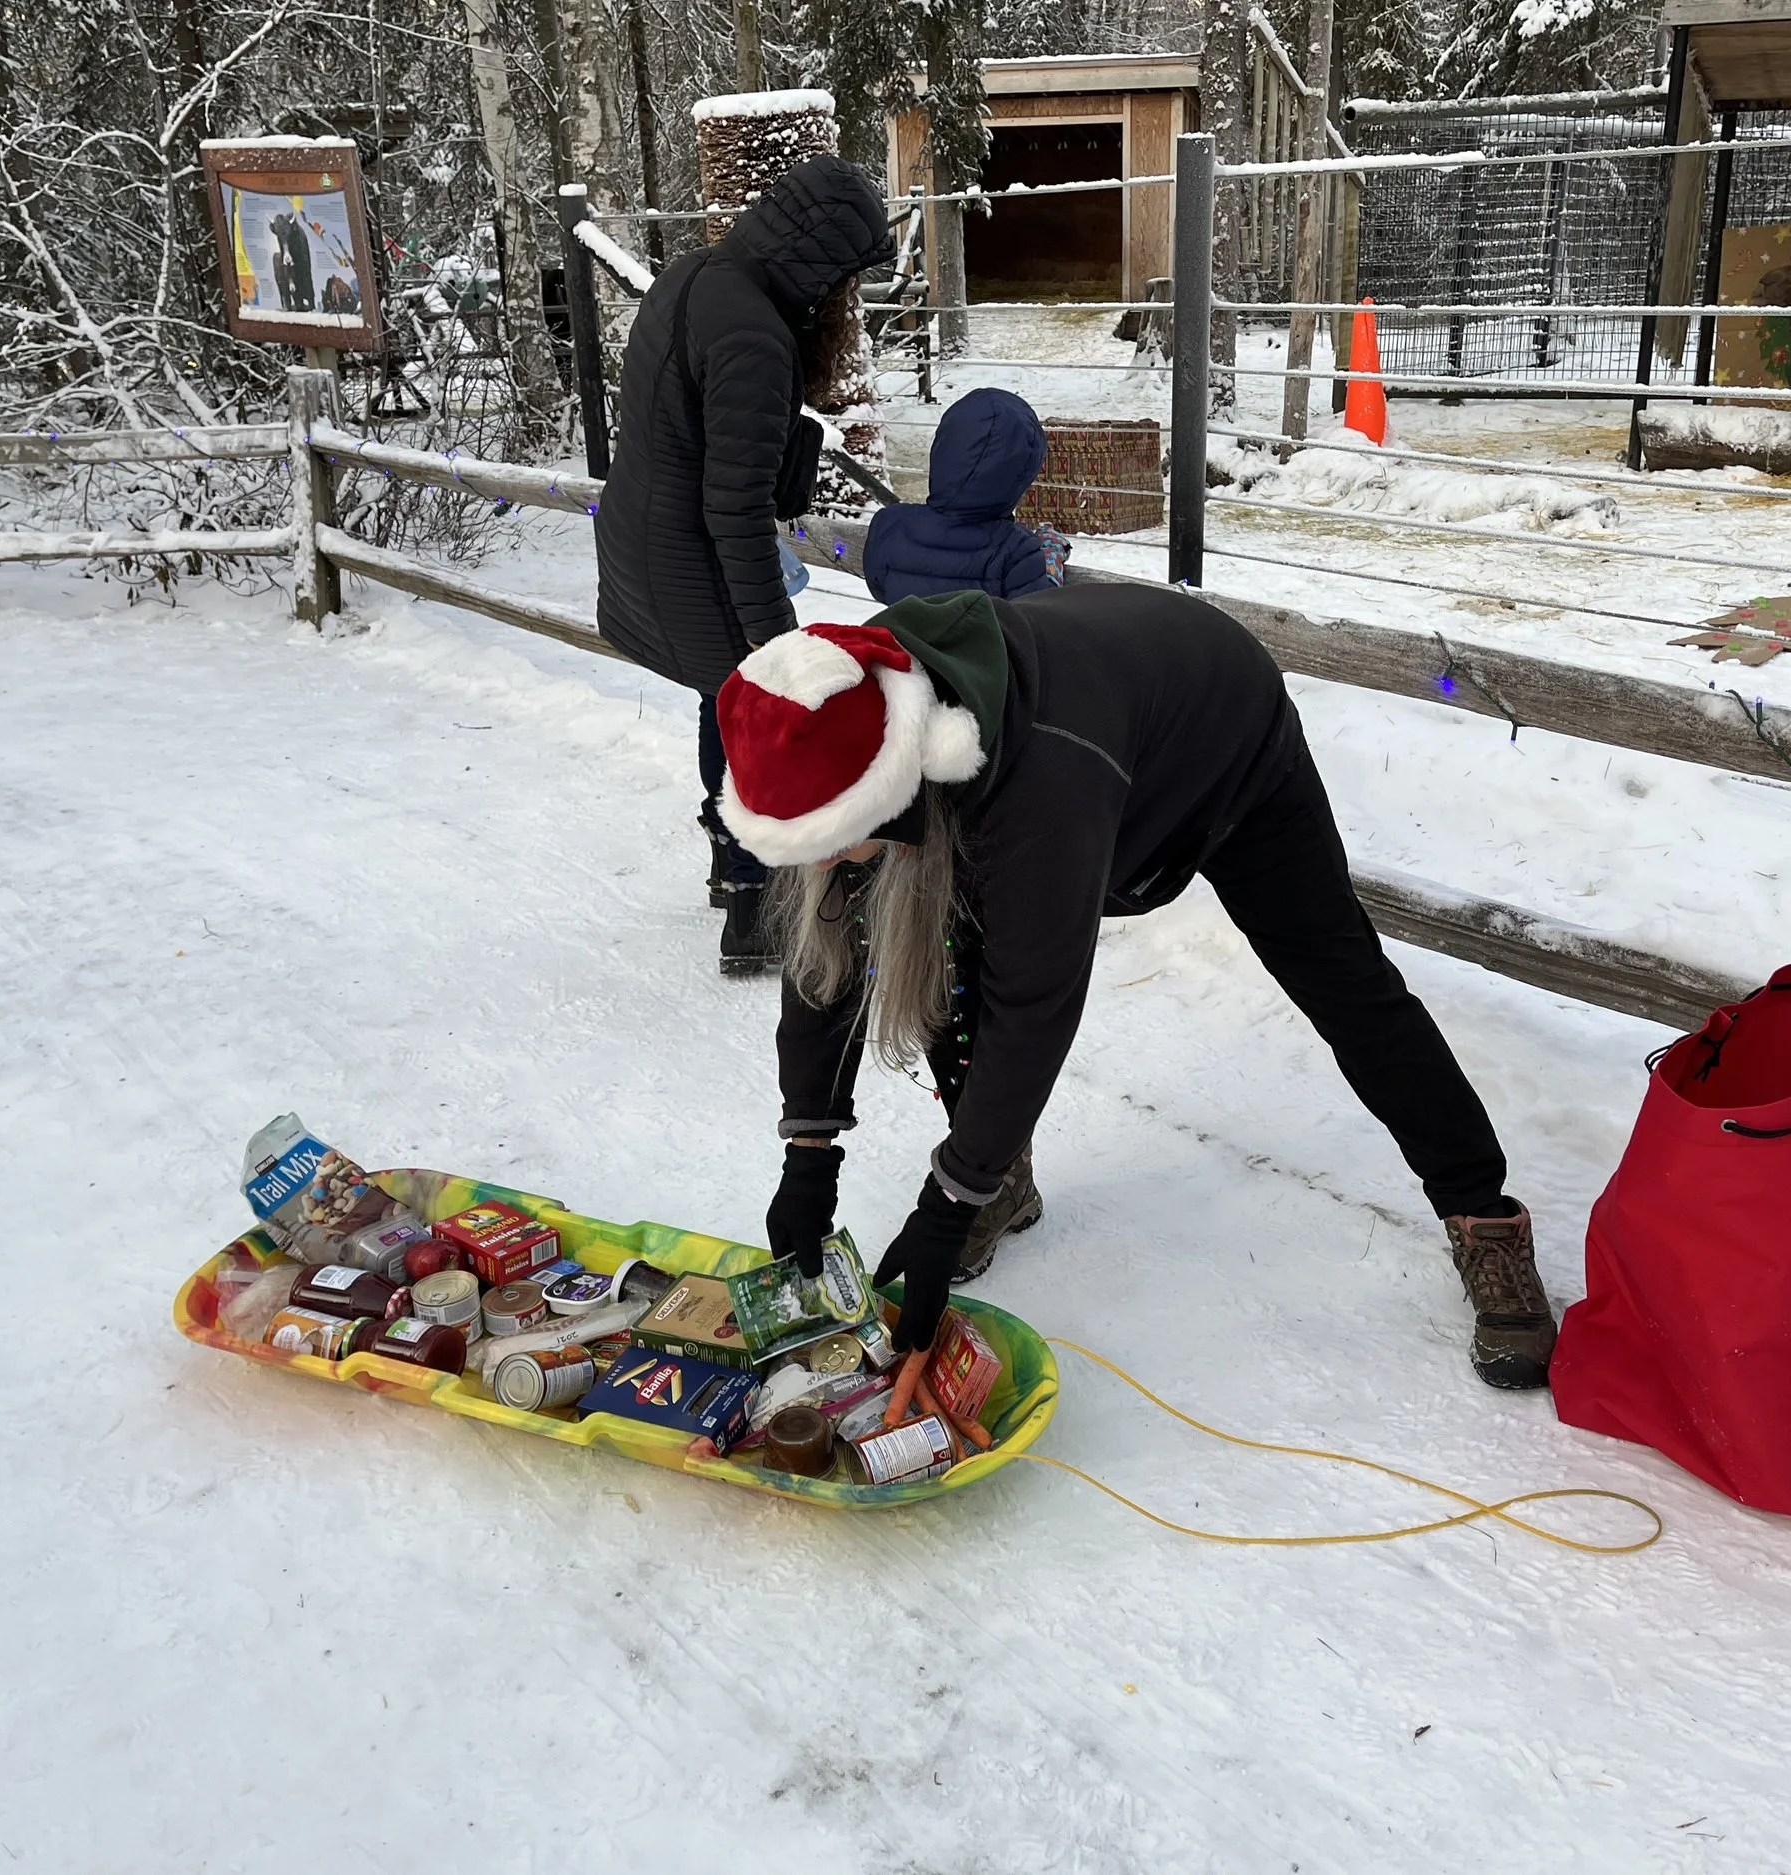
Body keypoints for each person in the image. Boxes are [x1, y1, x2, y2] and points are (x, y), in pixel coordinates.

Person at [718, 587, 1556, 1397]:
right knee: (932, 944)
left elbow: (1032, 1004)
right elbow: (830, 943)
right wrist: (809, 1151)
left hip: (1225, 742)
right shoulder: (836, 712)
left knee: (1342, 980)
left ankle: (1482, 1211)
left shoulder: (1035, 782)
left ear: (888, 786)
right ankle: (1001, 1181)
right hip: (1097, 735)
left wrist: (945, 1203)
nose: (823, 862)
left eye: (832, 840)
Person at [593, 155, 895, 975]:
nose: (850, 300)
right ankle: (756, 907)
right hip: (691, 561)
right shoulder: (756, 336)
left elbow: (692, 435)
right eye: (849, 281)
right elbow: (733, 509)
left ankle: (732, 868)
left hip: (644, 542)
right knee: (761, 709)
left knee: (720, 698)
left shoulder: (696, 275)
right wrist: (775, 639)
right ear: (822, 268)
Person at [862, 387, 1069, 604]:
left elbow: (880, 587)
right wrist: (1049, 557)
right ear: (1021, 474)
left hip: (903, 627)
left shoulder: (890, 525)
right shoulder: (1016, 549)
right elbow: (1035, 612)